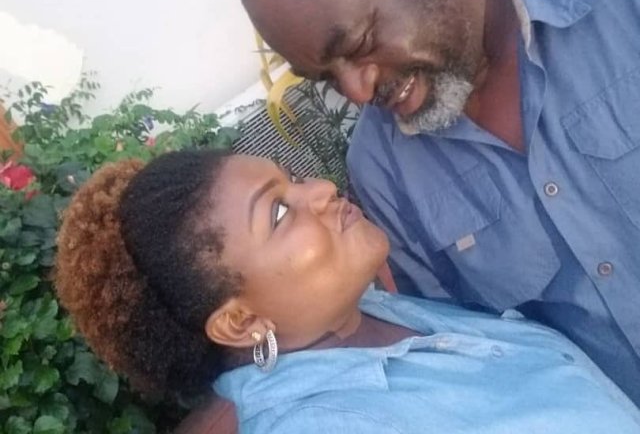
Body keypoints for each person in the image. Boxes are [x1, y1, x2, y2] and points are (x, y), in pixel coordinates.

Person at [233, 0, 640, 404]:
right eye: (326, 78)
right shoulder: (384, 169)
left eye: (360, 44)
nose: (357, 91)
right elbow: (477, 357)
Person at [54, 149, 640, 433]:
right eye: (279, 212)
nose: (321, 190)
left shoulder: (360, 313)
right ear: (240, 322)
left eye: (291, 179)